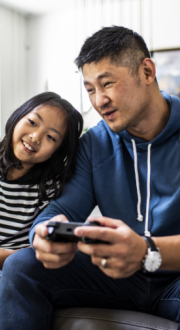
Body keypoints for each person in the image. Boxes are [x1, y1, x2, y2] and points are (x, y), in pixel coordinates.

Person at [0, 25, 180, 330]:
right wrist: (44, 234)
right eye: (90, 89)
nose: (99, 101)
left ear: (147, 72)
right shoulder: (94, 144)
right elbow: (60, 211)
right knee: (22, 265)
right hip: (115, 279)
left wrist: (146, 250)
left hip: (175, 279)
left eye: (107, 83)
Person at [0, 91, 83, 274]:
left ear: (58, 151)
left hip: (17, 272)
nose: (36, 137)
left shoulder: (50, 188)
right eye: (32, 122)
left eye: (51, 137)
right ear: (18, 116)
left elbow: (41, 250)